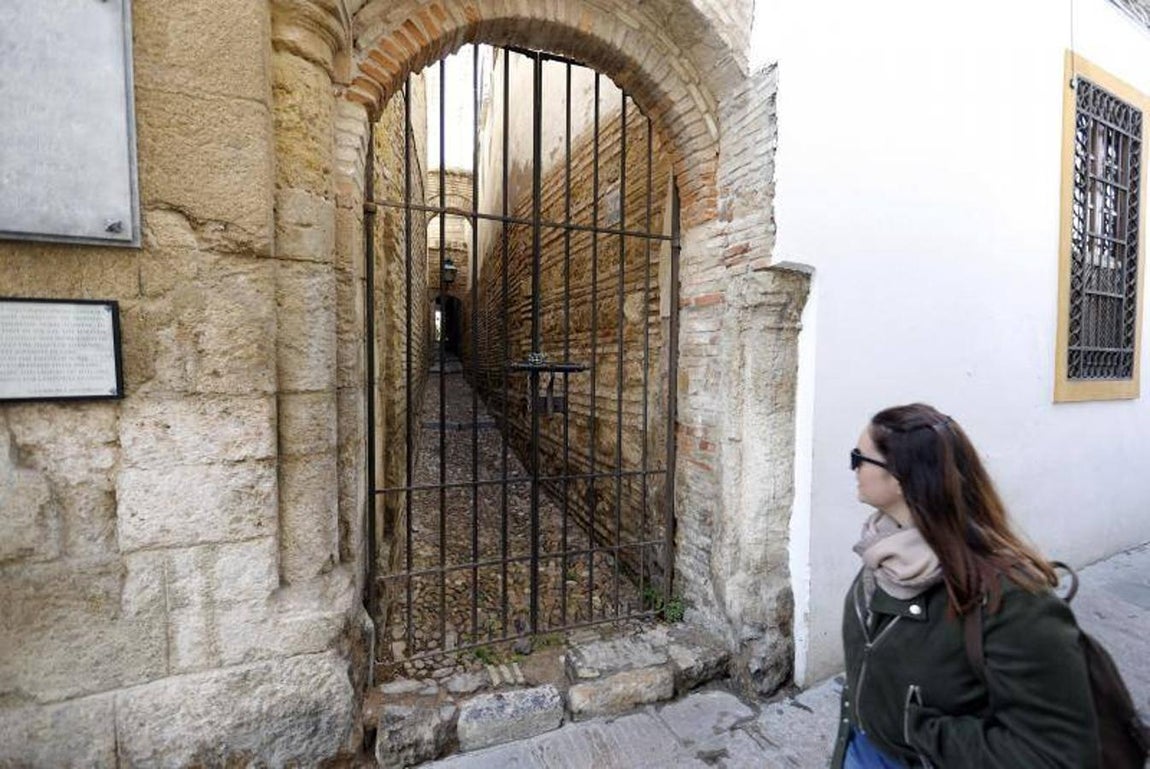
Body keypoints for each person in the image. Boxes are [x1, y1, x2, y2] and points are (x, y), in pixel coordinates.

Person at [830, 403, 1098, 768]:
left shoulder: (1015, 601)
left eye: (859, 458)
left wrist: (919, 731)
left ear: (900, 477)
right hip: (861, 750)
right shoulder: (882, 550)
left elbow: (1058, 753)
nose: (853, 468)